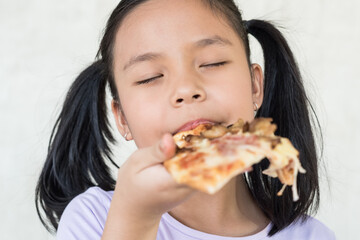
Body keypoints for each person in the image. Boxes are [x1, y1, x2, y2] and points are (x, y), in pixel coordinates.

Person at [35, 0, 336, 239]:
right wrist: (137, 218)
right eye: (150, 78)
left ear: (255, 86)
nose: (186, 90)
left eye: (212, 63)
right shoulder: (95, 219)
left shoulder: (313, 236)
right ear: (122, 118)